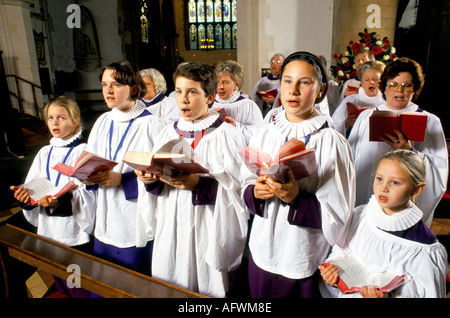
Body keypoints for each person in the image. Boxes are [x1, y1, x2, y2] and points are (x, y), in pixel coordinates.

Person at [241, 51, 356, 298]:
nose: (293, 90)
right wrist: (255, 191)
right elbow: (245, 179)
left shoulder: (332, 142)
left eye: (304, 82)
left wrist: (296, 198)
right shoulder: (265, 132)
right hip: (262, 249)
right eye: (287, 81)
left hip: (302, 253)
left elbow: (340, 214)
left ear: (321, 89)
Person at [135, 62, 248, 298]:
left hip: (209, 222)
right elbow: (155, 182)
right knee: (171, 280)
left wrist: (198, 184)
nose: (183, 99)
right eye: (178, 91)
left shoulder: (227, 134)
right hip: (172, 219)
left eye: (192, 92)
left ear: (209, 97)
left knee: (207, 288)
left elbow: (238, 188)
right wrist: (149, 180)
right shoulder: (167, 132)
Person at [319, 150, 448, 298]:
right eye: (379, 178)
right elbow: (341, 250)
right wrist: (333, 272)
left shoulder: (423, 247)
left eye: (395, 182)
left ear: (416, 190)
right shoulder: (360, 215)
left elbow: (426, 293)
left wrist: (387, 296)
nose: (383, 188)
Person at [10, 96, 96, 298]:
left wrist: (60, 200)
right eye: (50, 118)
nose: (55, 123)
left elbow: (86, 192)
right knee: (59, 278)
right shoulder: (44, 152)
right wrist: (24, 196)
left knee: (76, 282)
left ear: (76, 121)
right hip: (49, 227)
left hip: (73, 229)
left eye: (61, 117)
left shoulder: (82, 151)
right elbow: (33, 184)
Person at [85, 61, 164, 277]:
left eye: (117, 84)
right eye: (104, 85)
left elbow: (163, 175)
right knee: (103, 280)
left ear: (134, 89)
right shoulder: (102, 121)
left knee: (132, 282)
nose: (108, 91)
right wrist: (88, 177)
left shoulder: (152, 125)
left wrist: (121, 180)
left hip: (134, 217)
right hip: (105, 216)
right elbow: (89, 159)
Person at [348, 57, 448, 227]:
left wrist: (410, 150)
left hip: (403, 204)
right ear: (384, 86)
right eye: (393, 84)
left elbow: (439, 169)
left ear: (415, 88)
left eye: (406, 85)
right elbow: (350, 158)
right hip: (365, 196)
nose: (399, 91)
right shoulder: (366, 117)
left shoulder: (430, 121)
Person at [213, 60, 263, 142]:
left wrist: (236, 125)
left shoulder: (247, 104)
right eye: (218, 82)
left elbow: (259, 134)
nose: (221, 87)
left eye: (226, 82)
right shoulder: (209, 103)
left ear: (236, 84)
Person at [332, 60, 385, 137]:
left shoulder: (388, 101)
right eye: (367, 80)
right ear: (361, 83)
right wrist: (346, 124)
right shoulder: (350, 100)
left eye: (376, 79)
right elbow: (333, 126)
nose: (371, 82)